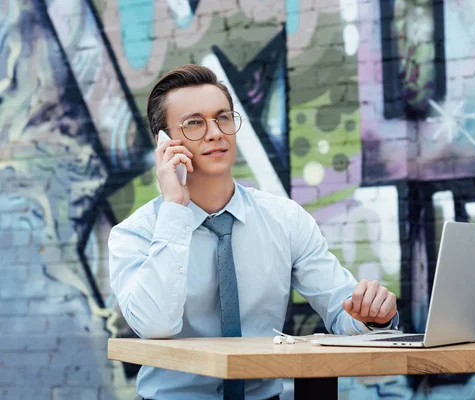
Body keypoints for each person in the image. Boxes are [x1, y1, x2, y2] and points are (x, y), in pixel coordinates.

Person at [108, 64, 399, 400]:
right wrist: (174, 207)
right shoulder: (134, 235)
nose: (215, 132)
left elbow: (341, 310)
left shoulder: (285, 219)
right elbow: (154, 326)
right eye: (194, 123)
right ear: (164, 142)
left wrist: (372, 318)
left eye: (223, 118)